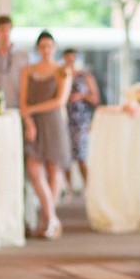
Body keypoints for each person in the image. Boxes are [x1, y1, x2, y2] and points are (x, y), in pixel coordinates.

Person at [20, 31, 70, 239]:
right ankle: (52, 219)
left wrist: (34, 109)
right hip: (34, 124)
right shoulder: (28, 71)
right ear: (38, 49)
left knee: (53, 170)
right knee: (34, 171)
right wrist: (29, 121)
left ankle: (47, 220)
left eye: (50, 46)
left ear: (55, 48)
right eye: (42, 46)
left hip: (53, 122)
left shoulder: (62, 71)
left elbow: (60, 101)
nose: (46, 49)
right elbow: (23, 102)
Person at [63, 48, 100, 192]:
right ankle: (69, 188)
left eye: (73, 58)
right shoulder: (61, 74)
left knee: (81, 155)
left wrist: (81, 96)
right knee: (65, 156)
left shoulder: (85, 76)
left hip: (80, 119)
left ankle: (88, 187)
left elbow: (95, 98)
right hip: (64, 118)